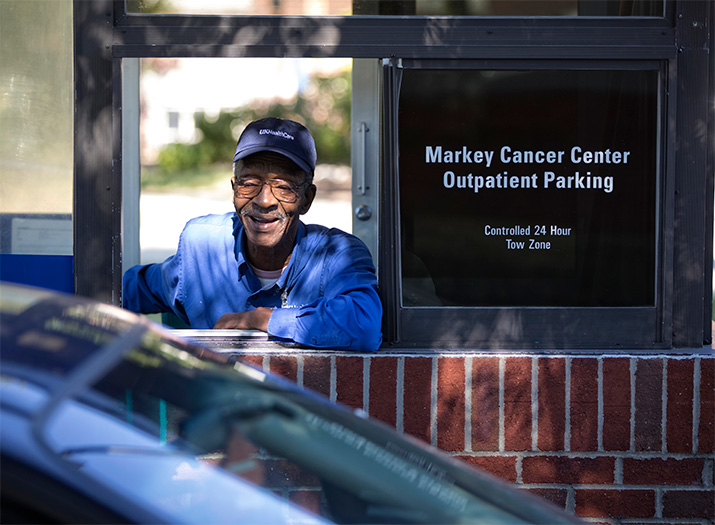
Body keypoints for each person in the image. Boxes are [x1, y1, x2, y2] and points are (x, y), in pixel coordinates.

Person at [122, 117, 382, 352]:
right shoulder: (202, 246)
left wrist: (259, 319)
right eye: (249, 183)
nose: (265, 200)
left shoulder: (337, 255)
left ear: (306, 199)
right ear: (234, 189)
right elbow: (130, 289)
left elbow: (364, 323)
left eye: (284, 187)